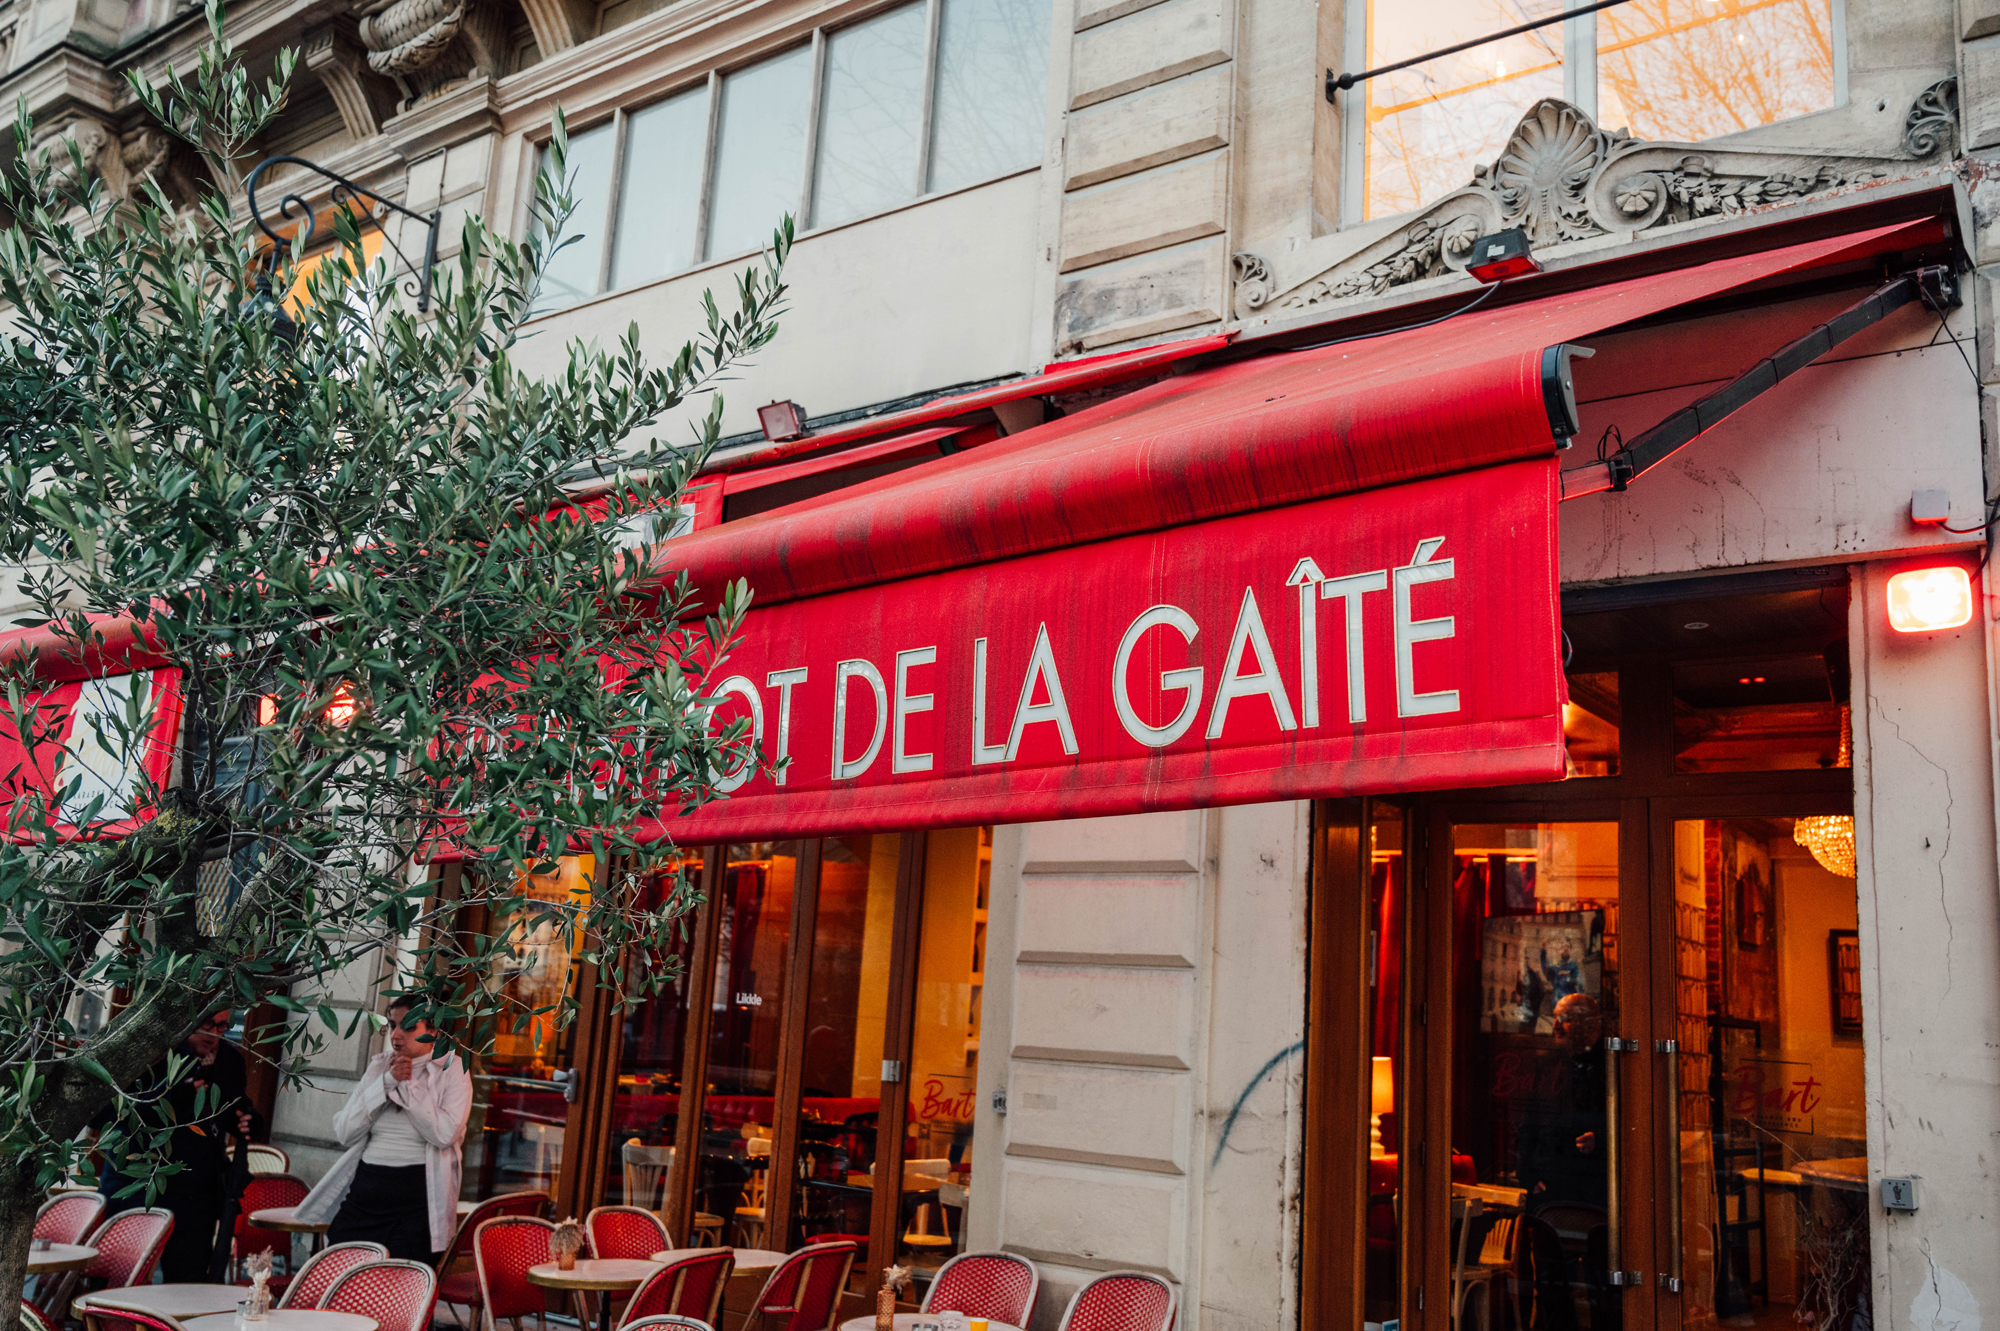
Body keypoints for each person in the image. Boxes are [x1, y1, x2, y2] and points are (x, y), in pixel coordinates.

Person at [295, 995, 474, 1263]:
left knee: (401, 1282)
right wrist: (387, 1082)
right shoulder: (380, 1065)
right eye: (392, 1025)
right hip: (369, 1186)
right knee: (341, 1268)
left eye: (409, 1027)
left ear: (433, 1030)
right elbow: (345, 1132)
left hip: (418, 1193)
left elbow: (444, 1135)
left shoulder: (453, 1068)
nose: (397, 1035)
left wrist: (409, 1087)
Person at [99, 1009, 262, 1283]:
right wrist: (175, 1098)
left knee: (188, 1283)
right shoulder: (151, 1054)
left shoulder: (228, 1060)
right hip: (139, 1184)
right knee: (120, 1280)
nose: (214, 1034)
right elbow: (111, 1113)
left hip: (195, 1195)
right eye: (207, 1024)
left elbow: (234, 1105)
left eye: (222, 1027)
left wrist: (248, 1120)